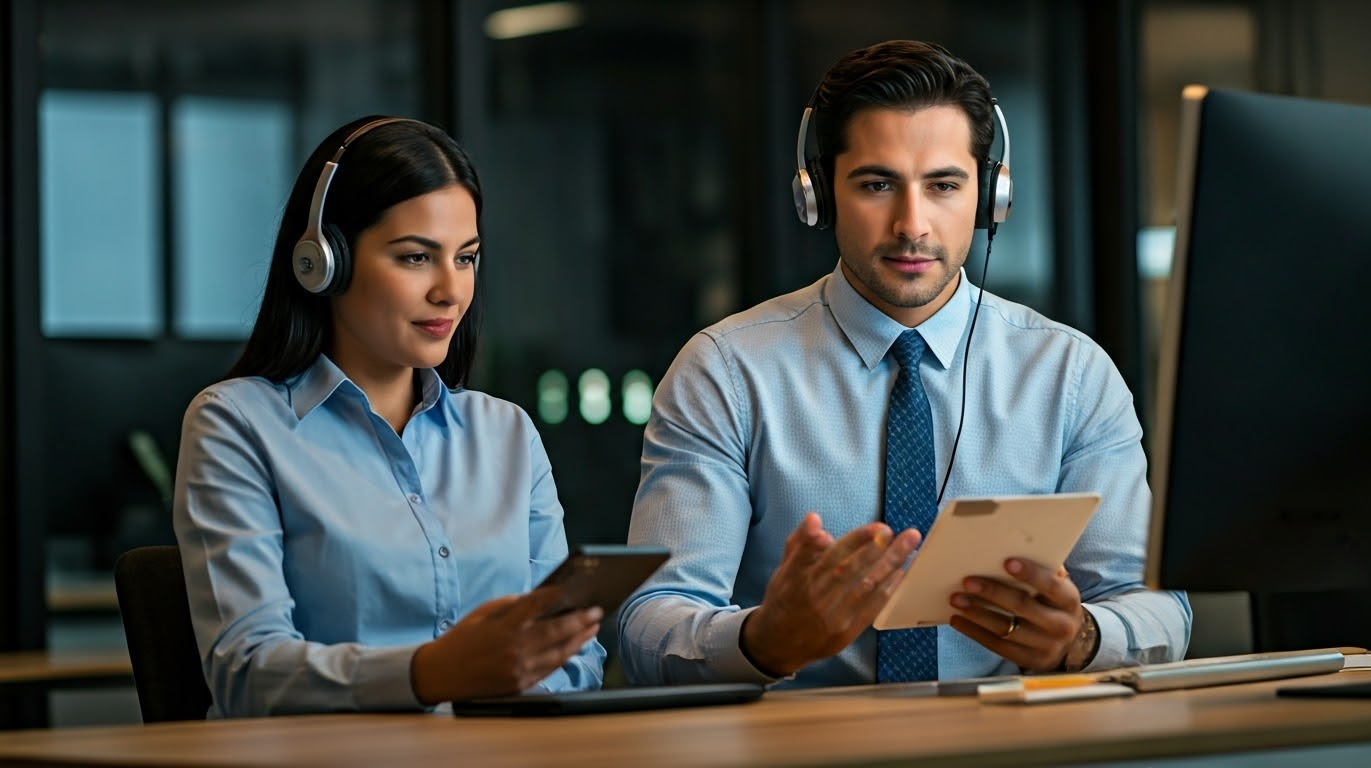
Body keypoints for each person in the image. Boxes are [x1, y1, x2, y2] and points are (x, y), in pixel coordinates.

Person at [618, 41, 1191, 688]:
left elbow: (1160, 609)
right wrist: (762, 641)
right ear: (819, 194)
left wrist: (1083, 638)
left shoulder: (1072, 376)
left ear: (989, 197)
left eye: (944, 185)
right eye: (877, 184)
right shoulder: (724, 373)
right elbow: (648, 626)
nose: (911, 224)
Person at [173, 116, 605, 718]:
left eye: (467, 258)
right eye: (414, 258)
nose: (450, 291)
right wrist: (430, 675)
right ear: (325, 262)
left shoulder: (507, 434)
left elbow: (577, 660)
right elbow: (248, 674)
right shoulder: (237, 425)